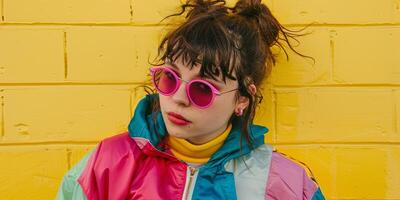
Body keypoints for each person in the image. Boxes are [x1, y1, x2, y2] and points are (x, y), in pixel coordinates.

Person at [56, 0, 325, 199]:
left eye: (202, 89)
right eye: (170, 78)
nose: (178, 97)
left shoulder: (282, 183)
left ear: (242, 99)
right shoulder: (107, 165)